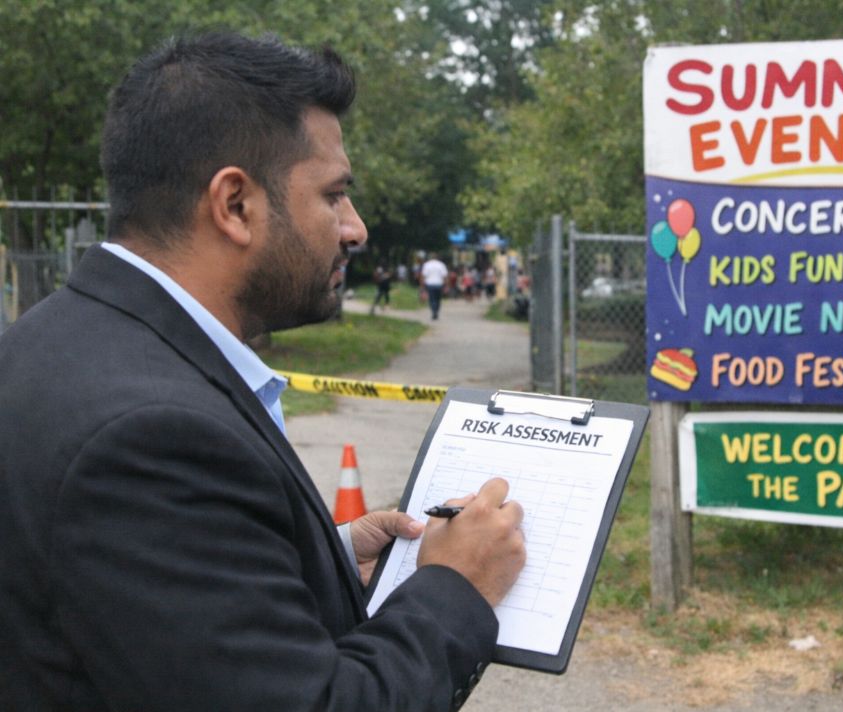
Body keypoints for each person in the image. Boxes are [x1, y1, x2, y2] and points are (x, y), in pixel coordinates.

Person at [0, 33, 525, 711]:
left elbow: (153, 613)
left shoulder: (51, 342)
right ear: (235, 206)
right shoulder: (153, 437)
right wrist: (455, 586)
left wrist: (322, 560)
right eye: (334, 196)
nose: (355, 228)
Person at [420, 251, 448, 320]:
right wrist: (446, 285)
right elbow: (444, 276)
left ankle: (433, 311)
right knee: (438, 299)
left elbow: (423, 276)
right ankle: (436, 310)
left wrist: (422, 286)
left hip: (430, 284)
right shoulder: (441, 265)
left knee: (431, 299)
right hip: (439, 284)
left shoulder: (427, 265)